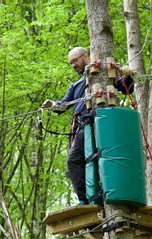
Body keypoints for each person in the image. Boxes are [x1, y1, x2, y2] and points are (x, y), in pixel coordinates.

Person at [42, 47, 133, 205]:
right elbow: (63, 105)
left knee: (102, 160)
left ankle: (104, 194)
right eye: (70, 63)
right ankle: (85, 199)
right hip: (83, 126)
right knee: (74, 161)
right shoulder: (76, 86)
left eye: (75, 60)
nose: (73, 65)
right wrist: (53, 105)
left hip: (102, 121)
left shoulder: (104, 74)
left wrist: (130, 74)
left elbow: (126, 88)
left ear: (85, 56)